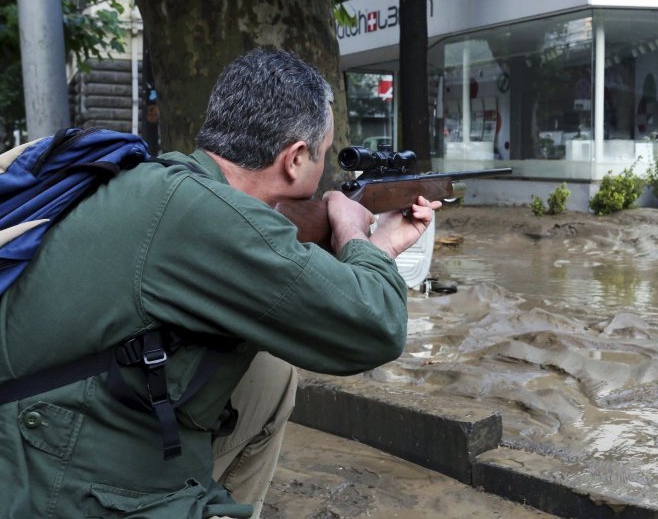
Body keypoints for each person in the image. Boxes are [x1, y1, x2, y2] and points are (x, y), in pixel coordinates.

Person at [0, 48, 439, 518]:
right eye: (324, 155)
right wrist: (362, 237)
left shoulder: (164, 181)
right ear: (294, 159)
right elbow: (374, 328)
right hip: (49, 473)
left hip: (48, 426)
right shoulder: (206, 218)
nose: (325, 171)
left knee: (269, 376)